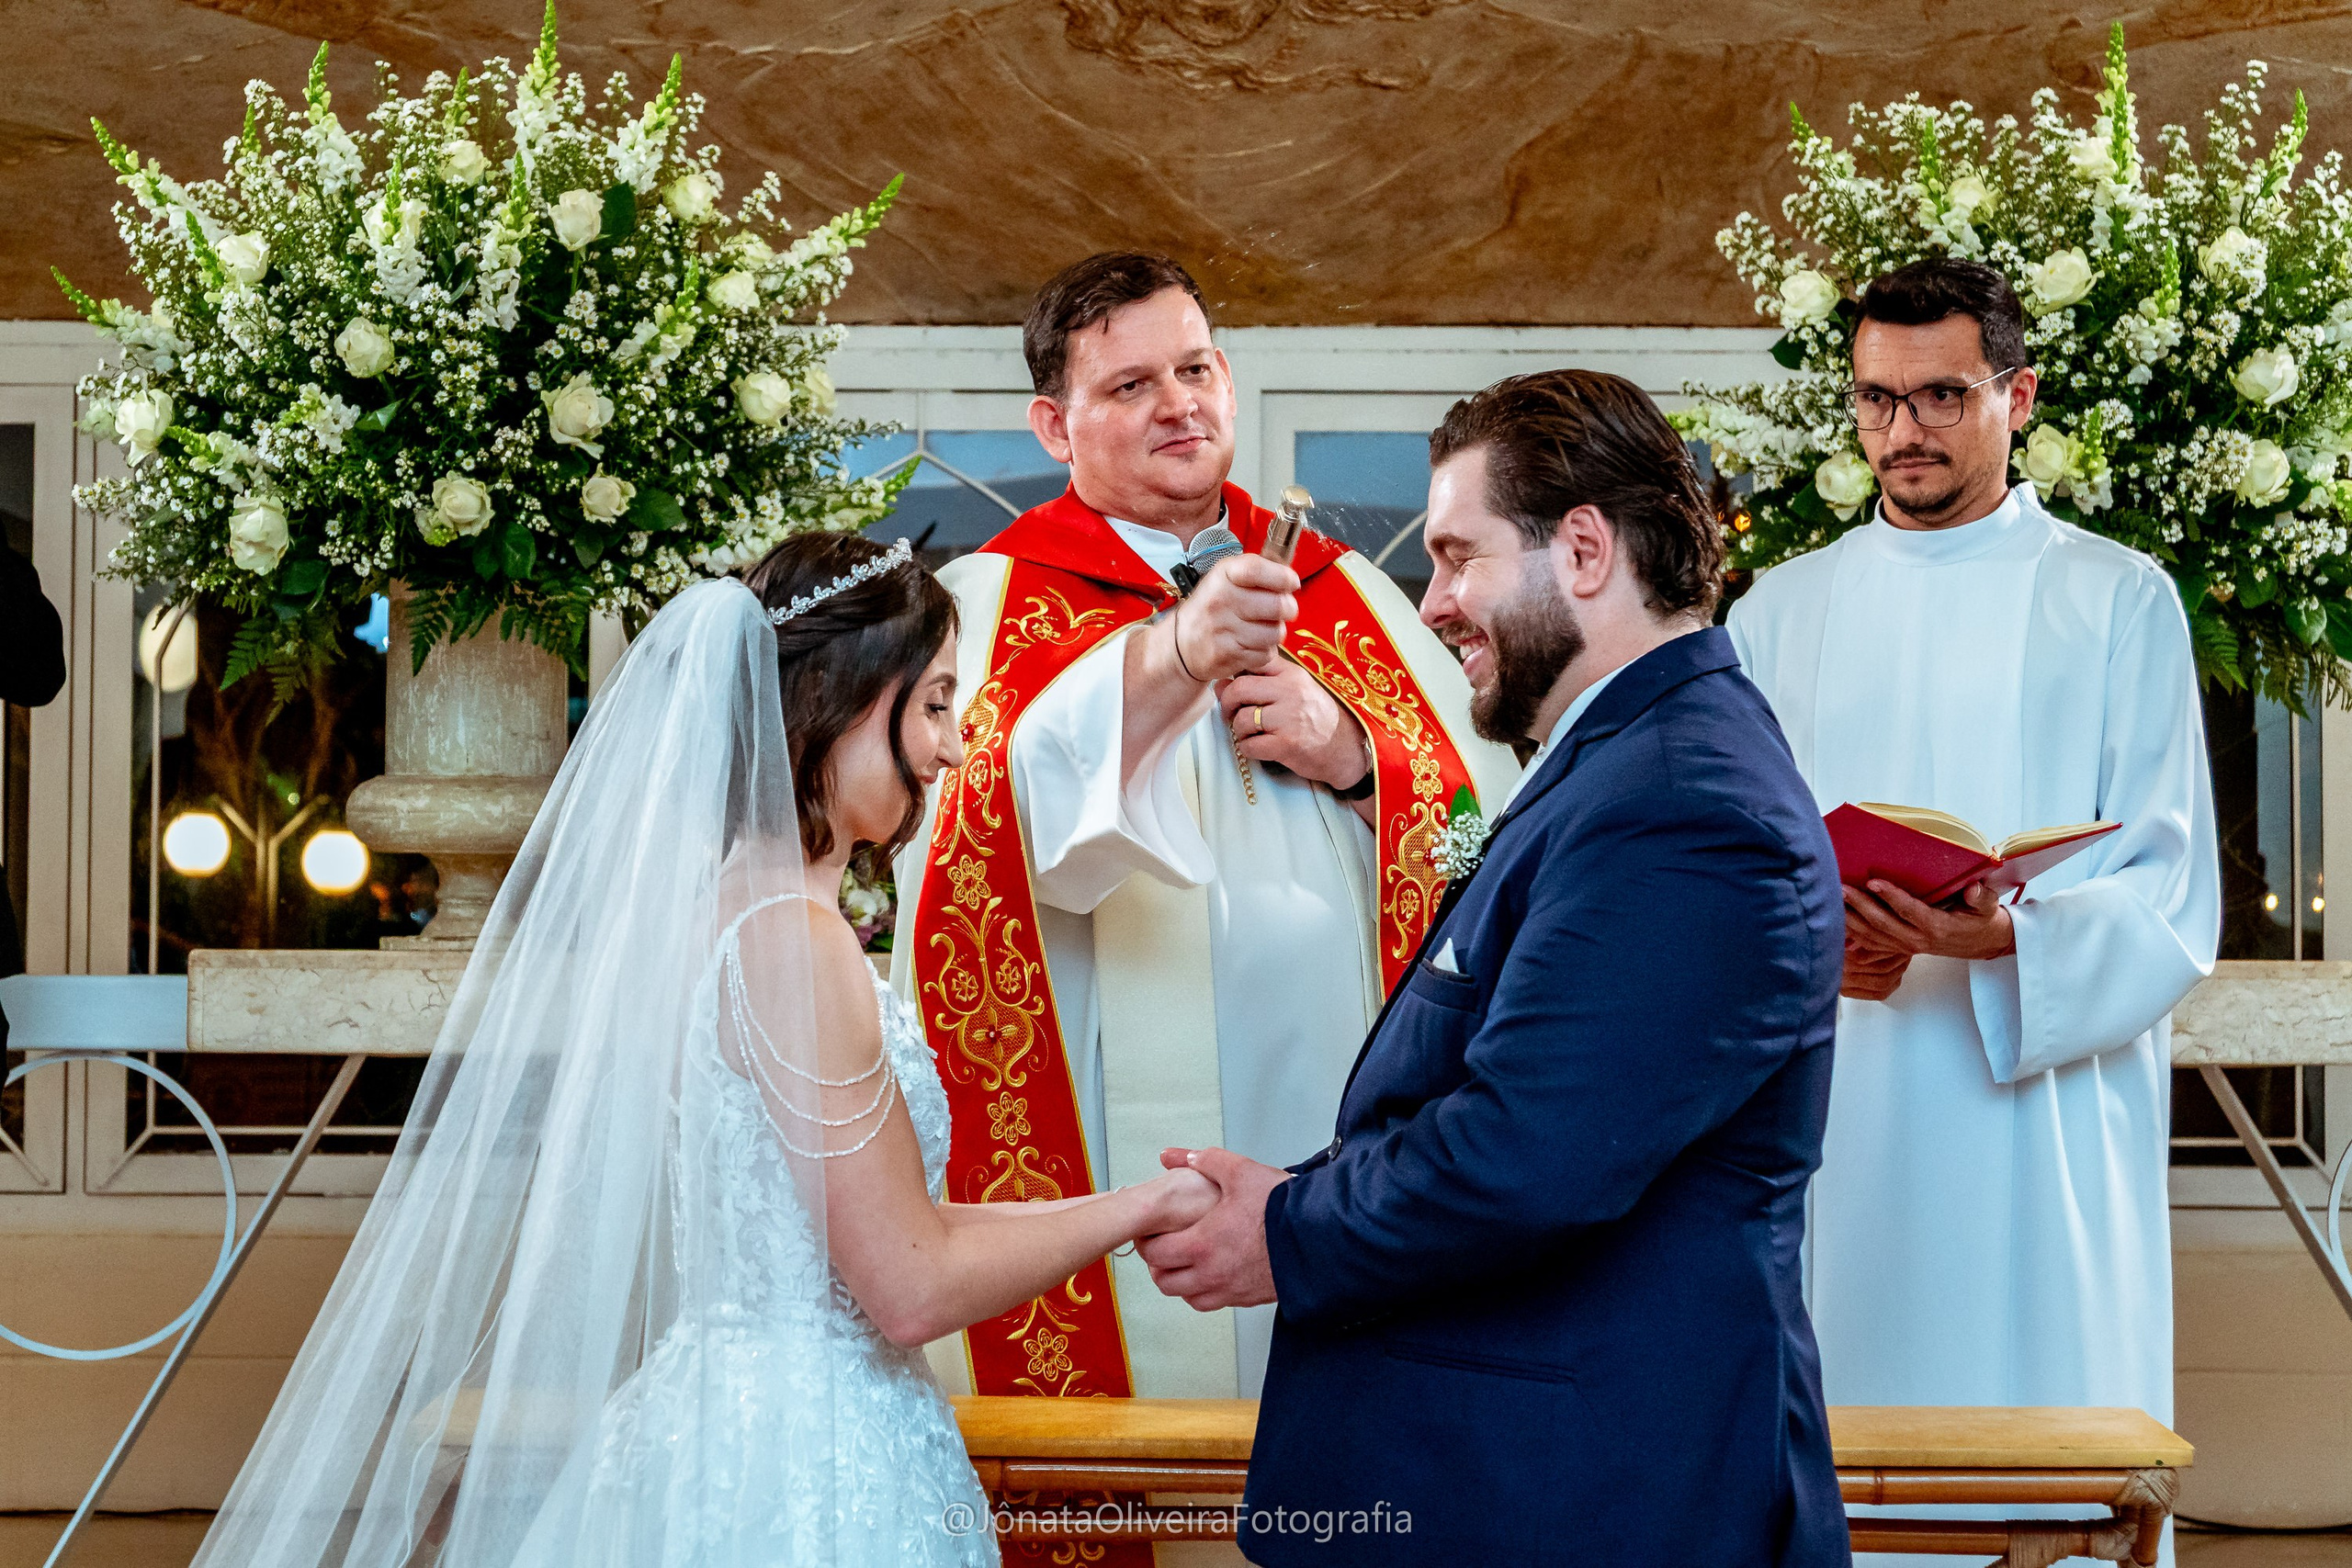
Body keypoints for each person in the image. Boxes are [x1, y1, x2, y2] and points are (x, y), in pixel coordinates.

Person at [190, 535, 1215, 1568]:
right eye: (937, 702)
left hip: (716, 1416)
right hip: (808, 1464)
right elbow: (907, 1287)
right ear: (840, 698)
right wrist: (1136, 1208)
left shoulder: (719, 912)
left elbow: (867, 1225)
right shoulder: (793, 944)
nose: (954, 745)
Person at [1139, 370, 1849, 1566]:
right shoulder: (1623, 765)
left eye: (1461, 556)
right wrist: (1293, 1187)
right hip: (1529, 1480)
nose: (1435, 601)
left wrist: (1293, 1225)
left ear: (1582, 548)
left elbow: (1530, 1153)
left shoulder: (1683, 802)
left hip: (1591, 1497)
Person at [891, 252, 1514, 1411]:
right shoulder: (979, 604)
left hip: (1335, 1110)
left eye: (1194, 369)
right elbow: (973, 820)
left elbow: (1497, 831)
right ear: (1053, 424)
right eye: (1129, 386)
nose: (1177, 402)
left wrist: (1357, 755)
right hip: (1093, 1114)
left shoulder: (1358, 599)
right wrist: (1172, 655)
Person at [1726, 258, 2220, 1562]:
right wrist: (1815, 939)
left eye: (1941, 394)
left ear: (2018, 393)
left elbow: (2173, 885)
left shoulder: (2119, 599)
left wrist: (2009, 933)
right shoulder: (1782, 611)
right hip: (1853, 1087)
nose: (1905, 431)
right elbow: (1737, 864)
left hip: (2042, 1115)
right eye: (1877, 400)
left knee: (2051, 1416)